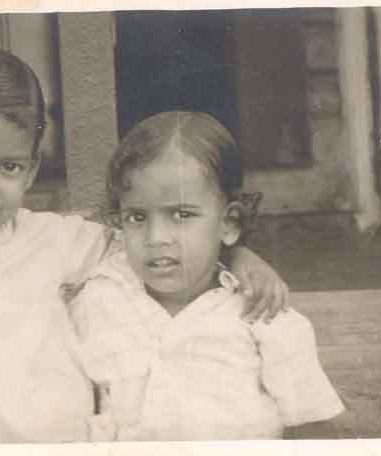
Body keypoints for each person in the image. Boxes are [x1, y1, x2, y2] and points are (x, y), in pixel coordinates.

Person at [0, 46, 288, 446]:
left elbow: (151, 243)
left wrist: (236, 254)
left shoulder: (56, 241)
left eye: (9, 167)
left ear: (31, 171)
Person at [70, 111, 345, 441]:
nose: (156, 237)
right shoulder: (100, 298)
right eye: (137, 217)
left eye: (181, 214)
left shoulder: (263, 314)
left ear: (229, 223)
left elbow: (315, 428)